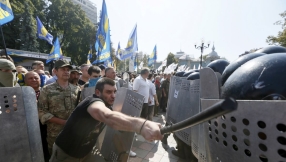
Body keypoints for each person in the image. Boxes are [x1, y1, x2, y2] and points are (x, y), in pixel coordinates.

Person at [49, 78, 163, 162]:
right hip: (67, 154)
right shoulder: (92, 102)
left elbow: (114, 118)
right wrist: (142, 125)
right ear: (98, 92)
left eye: (115, 91)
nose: (113, 95)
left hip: (85, 152)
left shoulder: (107, 105)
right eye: (108, 92)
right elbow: (107, 116)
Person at [38, 60, 81, 154]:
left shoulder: (76, 89)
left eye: (68, 69)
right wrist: (63, 122)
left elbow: (80, 109)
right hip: (55, 134)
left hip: (73, 133)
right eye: (63, 69)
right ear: (55, 71)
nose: (66, 71)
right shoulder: (47, 89)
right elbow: (41, 111)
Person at [24, 71, 50, 161]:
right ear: (25, 80)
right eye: (30, 78)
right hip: (27, 127)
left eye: (36, 78)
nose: (34, 80)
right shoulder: (20, 93)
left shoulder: (47, 92)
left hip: (45, 126)